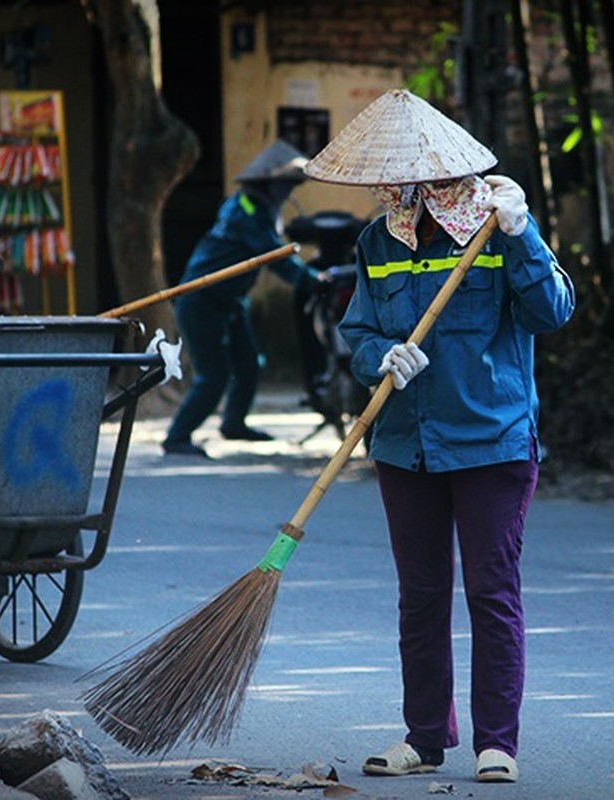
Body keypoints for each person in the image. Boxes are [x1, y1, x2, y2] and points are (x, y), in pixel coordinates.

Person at [304, 89, 575, 784]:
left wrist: (522, 234)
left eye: (412, 176)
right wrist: (377, 358)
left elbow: (550, 313)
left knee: (490, 590)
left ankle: (497, 744)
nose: (400, 189)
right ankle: (424, 737)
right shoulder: (377, 241)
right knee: (419, 595)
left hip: (492, 441)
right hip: (405, 442)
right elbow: (359, 332)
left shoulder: (495, 225)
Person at [162, 140, 321, 455]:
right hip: (201, 300)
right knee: (213, 375)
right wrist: (310, 280)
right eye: (285, 186)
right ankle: (177, 437)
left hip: (231, 302)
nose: (288, 193)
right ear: (269, 184)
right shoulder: (246, 209)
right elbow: (271, 254)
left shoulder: (259, 209)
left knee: (249, 363)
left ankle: (233, 424)